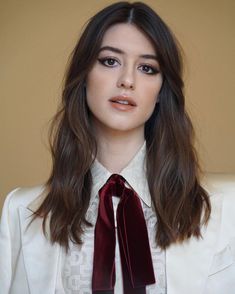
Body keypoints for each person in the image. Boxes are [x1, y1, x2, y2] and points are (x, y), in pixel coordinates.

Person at [0, 2, 235, 294]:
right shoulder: (21, 211)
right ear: (84, 74)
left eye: (147, 68)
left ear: (162, 91)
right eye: (110, 61)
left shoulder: (226, 209)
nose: (127, 80)